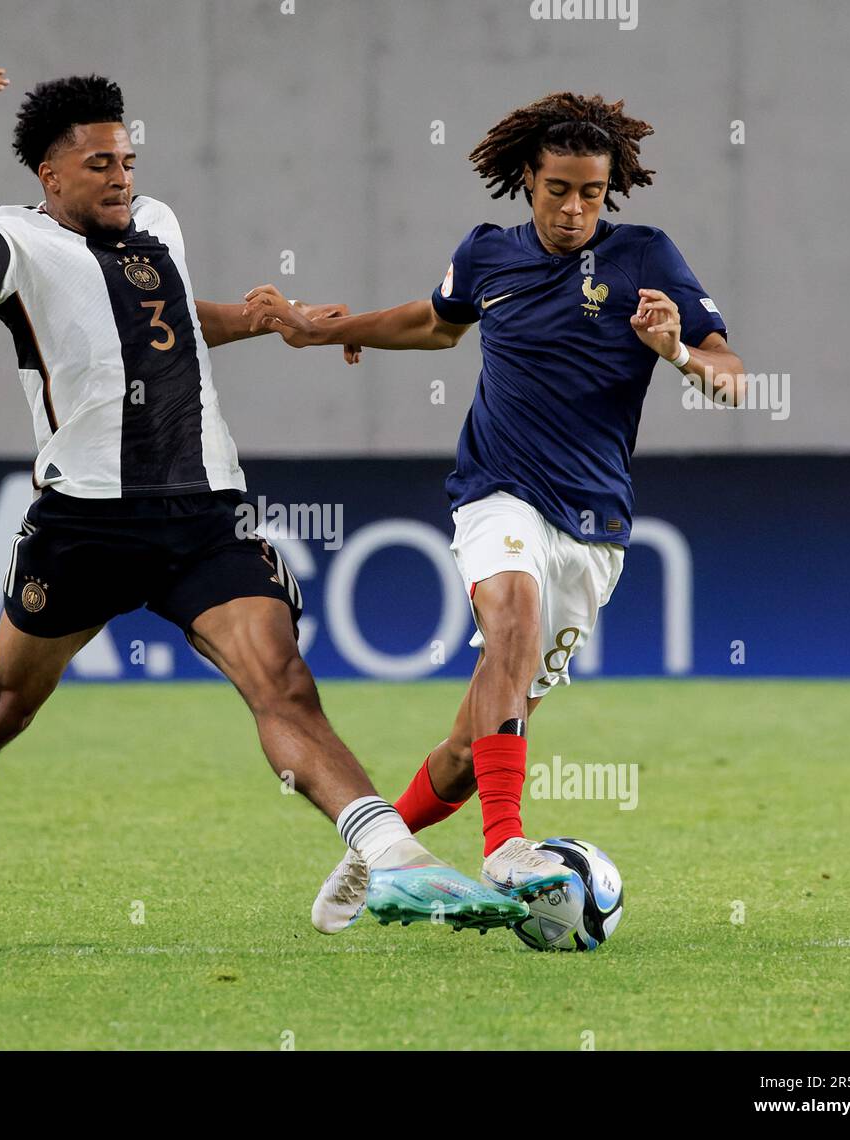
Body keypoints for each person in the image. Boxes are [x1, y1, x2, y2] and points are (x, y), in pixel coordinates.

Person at [0, 34, 530, 945]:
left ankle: (394, 858)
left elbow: (174, 325)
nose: (119, 175)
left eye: (128, 158)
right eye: (97, 162)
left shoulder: (160, 226)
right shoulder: (13, 241)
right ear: (48, 174)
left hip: (204, 513)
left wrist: (263, 319)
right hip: (86, 523)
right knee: (0, 709)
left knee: (283, 683)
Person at [242, 92, 745, 933]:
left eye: (592, 191)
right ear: (527, 180)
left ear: (612, 188)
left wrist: (679, 350)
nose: (575, 207)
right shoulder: (487, 255)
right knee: (510, 610)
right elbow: (434, 323)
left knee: (469, 750)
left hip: (594, 532)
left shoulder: (647, 258)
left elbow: (734, 378)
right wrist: (323, 330)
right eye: (558, 189)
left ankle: (379, 846)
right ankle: (506, 845)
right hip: (496, 491)